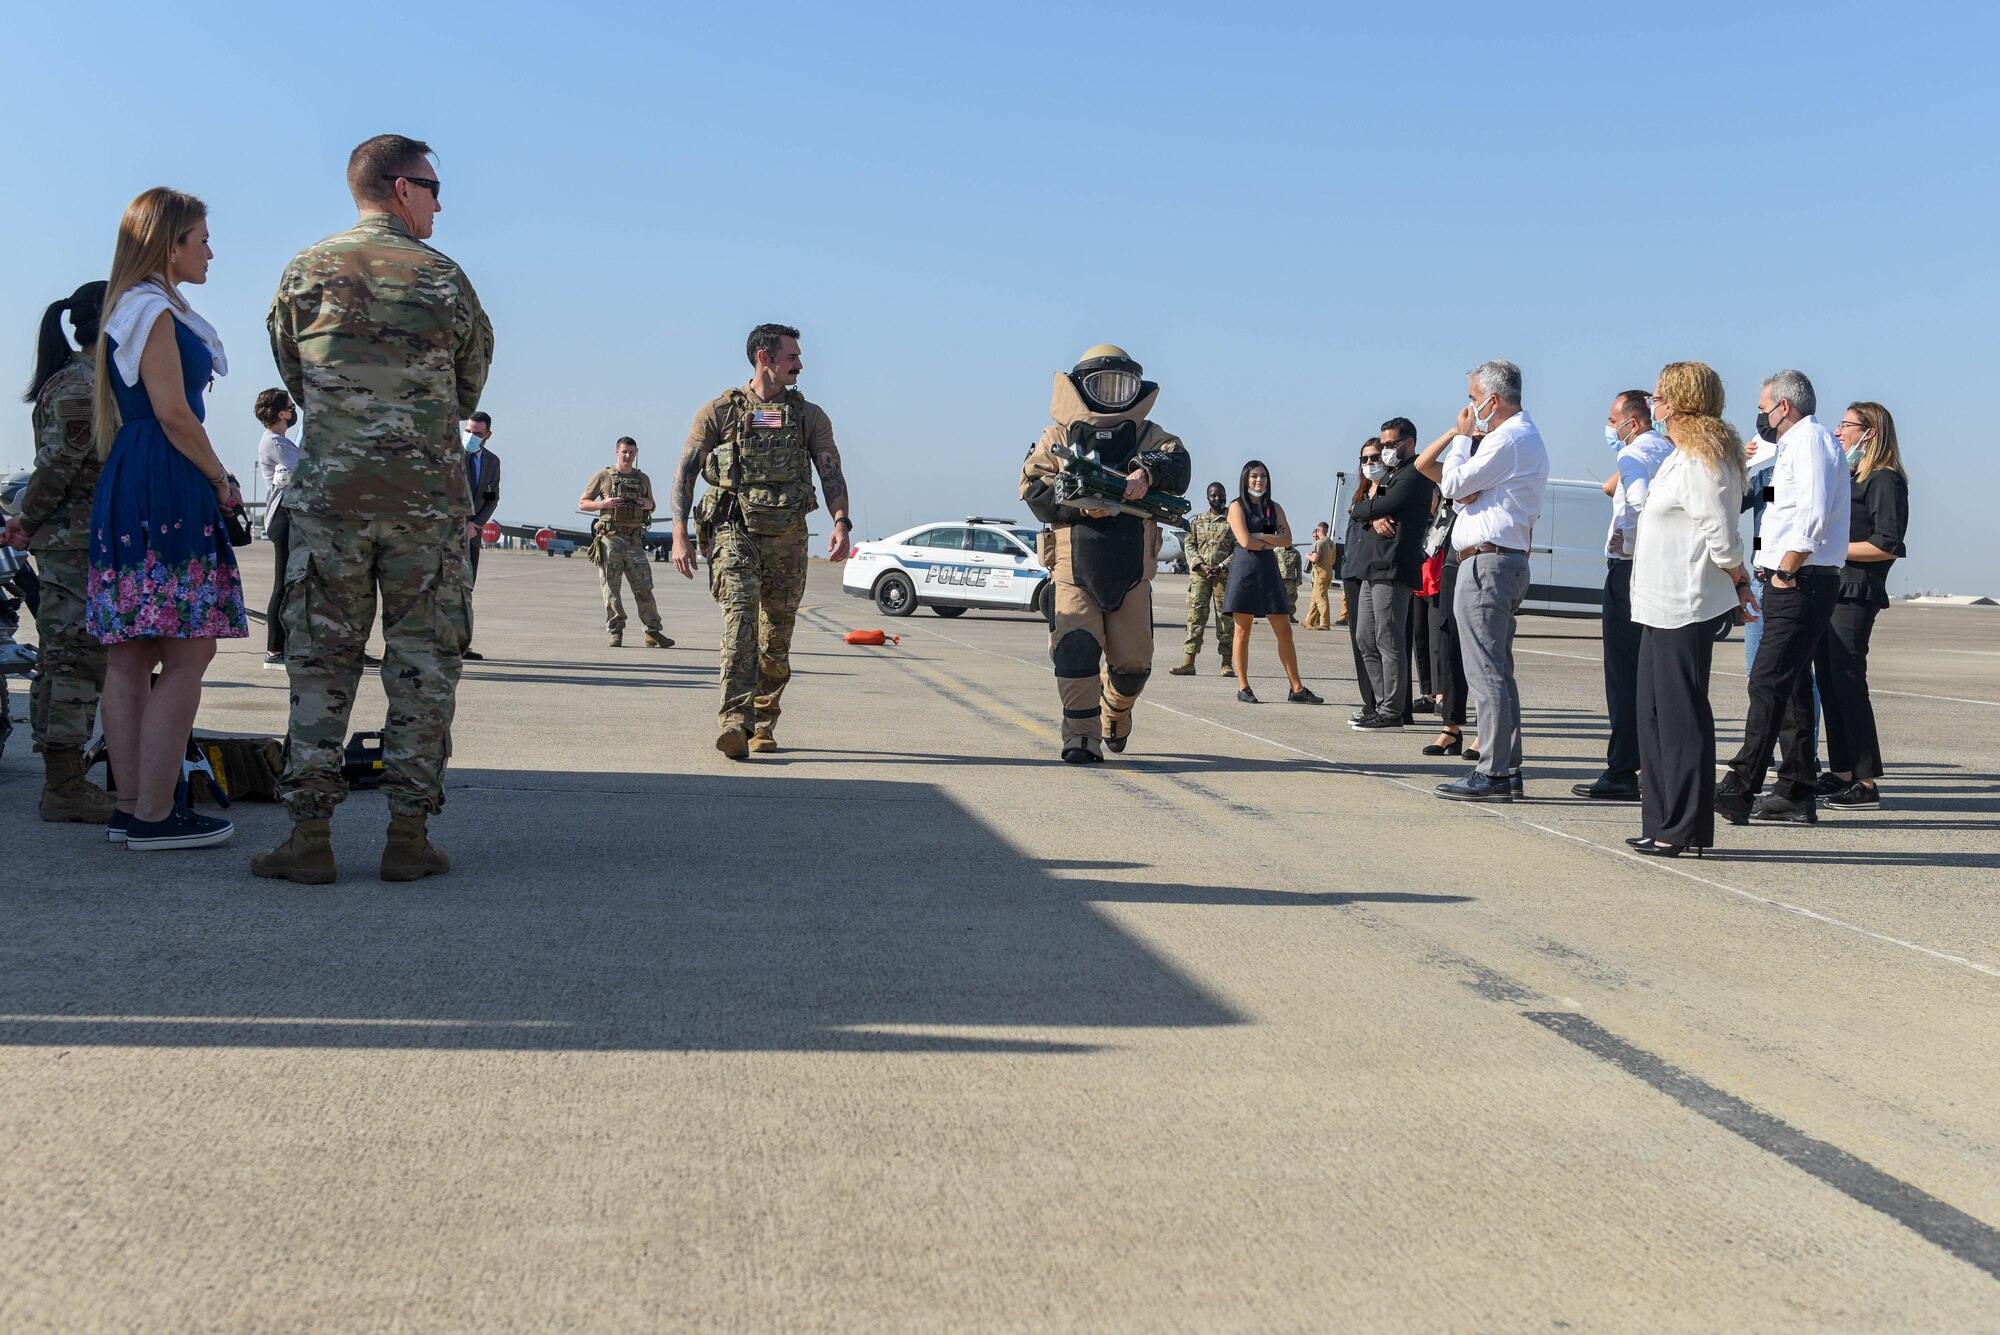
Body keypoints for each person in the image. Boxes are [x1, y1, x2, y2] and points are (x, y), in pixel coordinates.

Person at [254, 134, 494, 884]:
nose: (438, 201)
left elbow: (293, 373)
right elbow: (469, 383)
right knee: (424, 667)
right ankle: (408, 836)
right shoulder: (446, 280)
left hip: (331, 501)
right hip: (425, 504)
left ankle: (309, 837)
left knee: (320, 666)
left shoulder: (305, 272)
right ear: (398, 188)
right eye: (430, 186)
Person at [86, 188, 247, 850]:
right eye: (202, 238)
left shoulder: (130, 306)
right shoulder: (153, 310)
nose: (210, 249)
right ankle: (156, 811)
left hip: (132, 472)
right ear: (170, 243)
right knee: (189, 648)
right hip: (166, 475)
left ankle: (131, 805)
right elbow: (175, 411)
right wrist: (220, 478)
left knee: (129, 655)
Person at [673, 323, 851, 758]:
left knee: (776, 637)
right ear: (764, 358)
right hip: (736, 531)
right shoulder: (720, 412)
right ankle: (734, 720)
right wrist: (680, 534)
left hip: (789, 537)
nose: (800, 365)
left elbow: (830, 471)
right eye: (792, 357)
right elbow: (686, 472)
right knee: (740, 622)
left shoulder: (810, 416)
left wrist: (841, 521)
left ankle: (764, 721)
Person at [1018, 346, 1188, 760]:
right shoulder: (1056, 436)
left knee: (1134, 666)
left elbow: (1180, 465)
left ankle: (1116, 709)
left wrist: (1148, 471)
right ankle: (1080, 737)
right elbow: (1032, 488)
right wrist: (1078, 504)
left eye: (1122, 385)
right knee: (1074, 647)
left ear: (1136, 389)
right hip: (1074, 567)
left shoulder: (1150, 435)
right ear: (1081, 386)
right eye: (1103, 385)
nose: (1113, 394)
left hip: (1132, 568)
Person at [1627, 362, 1758, 856]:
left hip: (1685, 603)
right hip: (1656, 603)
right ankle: (1659, 818)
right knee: (1653, 715)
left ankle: (1684, 828)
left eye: (1659, 396)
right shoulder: (1679, 457)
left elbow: (1722, 533)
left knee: (1681, 717)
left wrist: (1738, 578)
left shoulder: (1707, 459)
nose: (1653, 404)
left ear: (1680, 401)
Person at [1715, 370, 1848, 826]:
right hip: (1789, 577)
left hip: (1800, 579)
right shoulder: (1790, 447)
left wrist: (1786, 572)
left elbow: (1812, 514)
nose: (1760, 415)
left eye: (1763, 406)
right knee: (1789, 686)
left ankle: (1741, 785)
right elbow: (1772, 509)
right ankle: (1795, 790)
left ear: (1784, 407)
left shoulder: (1809, 442)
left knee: (1766, 681)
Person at [8, 280, 118, 823]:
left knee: (67, 658)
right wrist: (25, 523)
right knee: (73, 660)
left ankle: (65, 778)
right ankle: (65, 785)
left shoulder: (95, 380)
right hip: (74, 544)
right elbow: (57, 468)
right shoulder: (81, 387)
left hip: (83, 541)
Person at [1414, 360, 1549, 802]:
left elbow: (1453, 484)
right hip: (1500, 560)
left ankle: (1492, 771)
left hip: (1488, 563)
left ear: (1492, 400)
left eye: (1474, 399)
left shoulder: (1508, 438)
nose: (1470, 408)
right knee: (1498, 671)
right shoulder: (1516, 439)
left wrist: (1461, 438)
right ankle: (1506, 768)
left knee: (1485, 672)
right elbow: (1468, 491)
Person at [1573, 390, 1674, 801]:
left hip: (1628, 570)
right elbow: (1609, 488)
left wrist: (1624, 543)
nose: (1609, 428)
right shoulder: (1666, 449)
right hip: (1656, 572)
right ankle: (1646, 764)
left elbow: (1633, 502)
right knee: (1647, 674)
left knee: (1622, 675)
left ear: (1632, 423)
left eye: (1614, 421)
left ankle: (1620, 769)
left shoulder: (1634, 455)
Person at [1814, 402, 1909, 810]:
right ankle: (1841, 773)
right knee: (1830, 684)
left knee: (1850, 683)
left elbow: (1887, 543)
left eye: (1846, 425)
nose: (1838, 431)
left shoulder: (1885, 480)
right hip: (1831, 590)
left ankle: (1866, 782)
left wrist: (1832, 549)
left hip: (1855, 594)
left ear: (1869, 432)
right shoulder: (1851, 475)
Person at [1348, 417, 1433, 731]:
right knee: (1364, 638)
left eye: (1390, 444)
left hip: (1394, 566)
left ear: (1409, 443)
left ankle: (1392, 711)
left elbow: (1364, 509)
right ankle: (1382, 704)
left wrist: (1367, 511)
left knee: (1388, 638)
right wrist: (1370, 512)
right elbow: (1367, 508)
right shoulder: (1392, 475)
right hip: (1372, 566)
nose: (1385, 450)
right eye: (1382, 444)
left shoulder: (1414, 475)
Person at [1223, 461, 1321, 705]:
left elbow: (1287, 539)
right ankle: (1243, 686)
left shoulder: (1273, 508)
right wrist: (1270, 540)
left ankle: (1296, 688)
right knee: (1243, 631)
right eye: (1254, 476)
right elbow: (1245, 541)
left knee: (1285, 630)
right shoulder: (1236, 506)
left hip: (1268, 571)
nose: (1259, 481)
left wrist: (1263, 538)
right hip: (1245, 572)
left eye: (1263, 476)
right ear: (1245, 479)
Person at [580, 436, 672, 648]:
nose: (628, 456)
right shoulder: (603, 476)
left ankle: (653, 631)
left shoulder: (643, 479)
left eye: (631, 452)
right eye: (624, 452)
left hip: (634, 540)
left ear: (636, 452)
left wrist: (647, 504)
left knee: (644, 586)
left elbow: (652, 504)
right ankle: (616, 631)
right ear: (617, 452)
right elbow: (583, 502)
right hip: (610, 539)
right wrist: (603, 503)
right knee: (611, 588)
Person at [254, 387, 300, 668]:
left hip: (288, 516)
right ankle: (273, 649)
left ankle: (287, 644)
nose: (294, 411)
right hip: (282, 517)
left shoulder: (280, 440)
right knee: (282, 584)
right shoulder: (275, 442)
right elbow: (307, 468)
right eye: (291, 407)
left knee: (290, 583)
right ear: (282, 413)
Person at [1170, 481, 1235, 675]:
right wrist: (1201, 565)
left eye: (1221, 495)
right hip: (1200, 576)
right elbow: (1189, 545)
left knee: (1225, 619)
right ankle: (1189, 662)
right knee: (1195, 617)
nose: (1218, 499)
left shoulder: (1233, 521)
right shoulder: (1196, 521)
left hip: (1223, 577)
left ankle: (1226, 663)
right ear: (1208, 498)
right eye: (1214, 496)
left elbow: (1239, 548)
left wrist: (1222, 566)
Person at [1340, 438, 1381, 720]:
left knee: (1381, 641)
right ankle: (1371, 702)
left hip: (1376, 572)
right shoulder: (1360, 496)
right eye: (1364, 459)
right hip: (1352, 571)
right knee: (1360, 641)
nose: (1369, 464)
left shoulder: (1390, 491)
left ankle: (1388, 704)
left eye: (1374, 457)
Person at [460, 410, 500, 661]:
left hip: (473, 535)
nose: (471, 436)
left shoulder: (492, 462)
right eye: (468, 431)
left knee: (466, 588)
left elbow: (491, 498)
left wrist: (475, 524)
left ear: (487, 435)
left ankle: (461, 644)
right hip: (448, 534)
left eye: (477, 433)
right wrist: (462, 522)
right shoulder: (450, 456)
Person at [1303, 521, 1336, 630]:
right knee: (1315, 598)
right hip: (1328, 572)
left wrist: (1308, 556)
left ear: (1318, 530)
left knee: (1321, 599)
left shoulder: (1319, 543)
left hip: (1320, 573)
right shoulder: (1331, 543)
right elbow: (1334, 560)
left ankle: (1324, 623)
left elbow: (1315, 559)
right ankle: (1309, 621)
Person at [1275, 542, 1302, 622]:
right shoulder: (1276, 551)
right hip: (1279, 578)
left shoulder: (1296, 553)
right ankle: (1277, 616)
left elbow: (1299, 567)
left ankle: (1290, 615)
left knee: (1291, 598)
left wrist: (1298, 580)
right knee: (1278, 598)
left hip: (1291, 579)